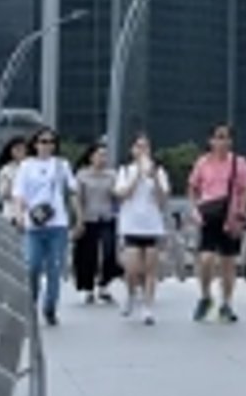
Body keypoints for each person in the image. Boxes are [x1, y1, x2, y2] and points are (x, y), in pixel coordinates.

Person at [10, 130, 75, 328]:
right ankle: (31, 302)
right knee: (33, 265)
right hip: (34, 224)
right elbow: (19, 193)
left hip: (58, 224)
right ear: (35, 144)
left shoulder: (61, 165)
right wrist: (20, 214)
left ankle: (50, 307)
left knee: (54, 268)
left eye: (51, 142)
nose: (46, 145)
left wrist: (78, 215)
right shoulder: (27, 166)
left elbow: (72, 189)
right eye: (42, 141)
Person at [189, 124, 246, 324]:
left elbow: (245, 189)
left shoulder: (238, 163)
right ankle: (205, 296)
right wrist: (195, 208)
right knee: (205, 259)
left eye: (225, 138)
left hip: (230, 216)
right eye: (218, 137)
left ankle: (227, 303)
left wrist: (241, 212)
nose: (222, 142)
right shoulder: (202, 163)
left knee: (228, 263)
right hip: (209, 215)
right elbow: (193, 187)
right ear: (210, 141)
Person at [114, 133, 174, 326]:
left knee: (150, 268)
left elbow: (162, 199)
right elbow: (122, 195)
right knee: (132, 268)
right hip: (131, 225)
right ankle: (131, 293)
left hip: (152, 226)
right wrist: (137, 175)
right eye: (138, 147)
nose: (142, 151)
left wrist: (154, 176)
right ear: (132, 150)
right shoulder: (124, 170)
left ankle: (147, 307)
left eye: (145, 147)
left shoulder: (159, 172)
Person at [71, 142, 122, 311]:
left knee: (109, 251)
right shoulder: (82, 175)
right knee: (88, 253)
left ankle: (104, 284)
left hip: (107, 217)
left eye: (105, 155)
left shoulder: (112, 175)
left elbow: (117, 195)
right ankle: (88, 287)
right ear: (91, 157)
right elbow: (77, 198)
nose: (103, 158)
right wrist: (79, 218)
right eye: (99, 155)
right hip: (89, 217)